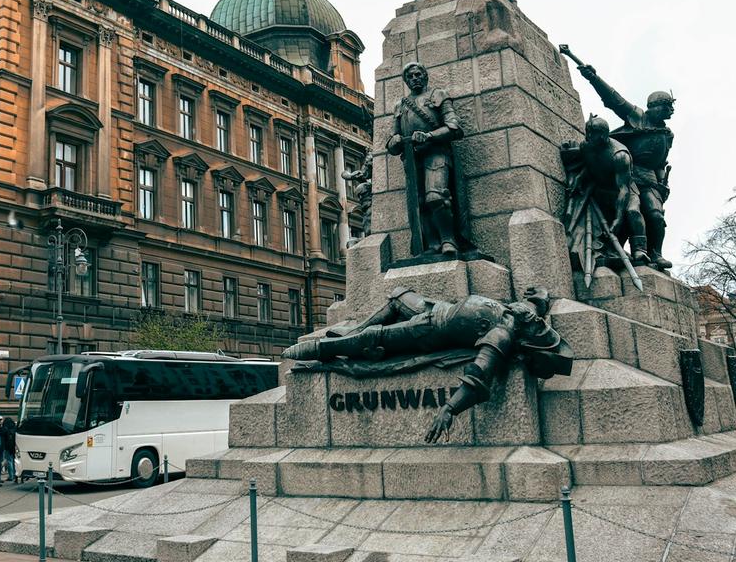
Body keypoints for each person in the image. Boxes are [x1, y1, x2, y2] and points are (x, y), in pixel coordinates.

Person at [282, 286, 572, 443]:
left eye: (537, 326)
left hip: (427, 332)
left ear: (527, 338)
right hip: (434, 308)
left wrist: (448, 409)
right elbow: (540, 299)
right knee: (397, 295)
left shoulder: (502, 335)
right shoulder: (522, 314)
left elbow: (478, 377)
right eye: (538, 321)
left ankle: (322, 348)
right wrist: (540, 298)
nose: (535, 320)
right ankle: (355, 329)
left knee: (372, 338)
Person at [574, 63, 676, 270]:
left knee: (656, 216)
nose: (671, 111)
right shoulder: (638, 117)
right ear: (654, 107)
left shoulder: (667, 135)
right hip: (626, 172)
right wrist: (593, 77)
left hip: (649, 179)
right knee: (632, 214)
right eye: (667, 107)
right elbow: (613, 99)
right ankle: (633, 251)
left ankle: (656, 254)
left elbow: (660, 162)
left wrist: (662, 182)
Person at [384, 62, 464, 256]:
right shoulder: (400, 105)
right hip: (411, 158)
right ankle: (433, 244)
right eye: (410, 76)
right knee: (418, 203)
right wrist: (394, 141)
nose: (415, 78)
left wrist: (429, 136)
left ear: (425, 76)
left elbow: (455, 127)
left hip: (436, 153)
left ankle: (448, 240)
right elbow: (391, 141)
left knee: (436, 197)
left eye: (418, 74)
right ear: (406, 81)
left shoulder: (438, 95)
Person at [561, 115, 651, 265]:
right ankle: (611, 251)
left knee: (632, 212)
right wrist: (579, 179)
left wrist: (618, 217)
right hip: (602, 191)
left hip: (624, 191)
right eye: (587, 132)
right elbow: (591, 165)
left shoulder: (620, 155)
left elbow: (623, 189)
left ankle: (640, 250)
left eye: (593, 133)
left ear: (603, 135)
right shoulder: (586, 145)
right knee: (605, 227)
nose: (588, 136)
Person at [0, 415, 18, 483]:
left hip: (7, 447)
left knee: (9, 461)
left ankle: (11, 476)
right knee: (13, 461)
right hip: (14, 447)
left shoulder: (6, 429)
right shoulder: (14, 428)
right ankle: (15, 474)